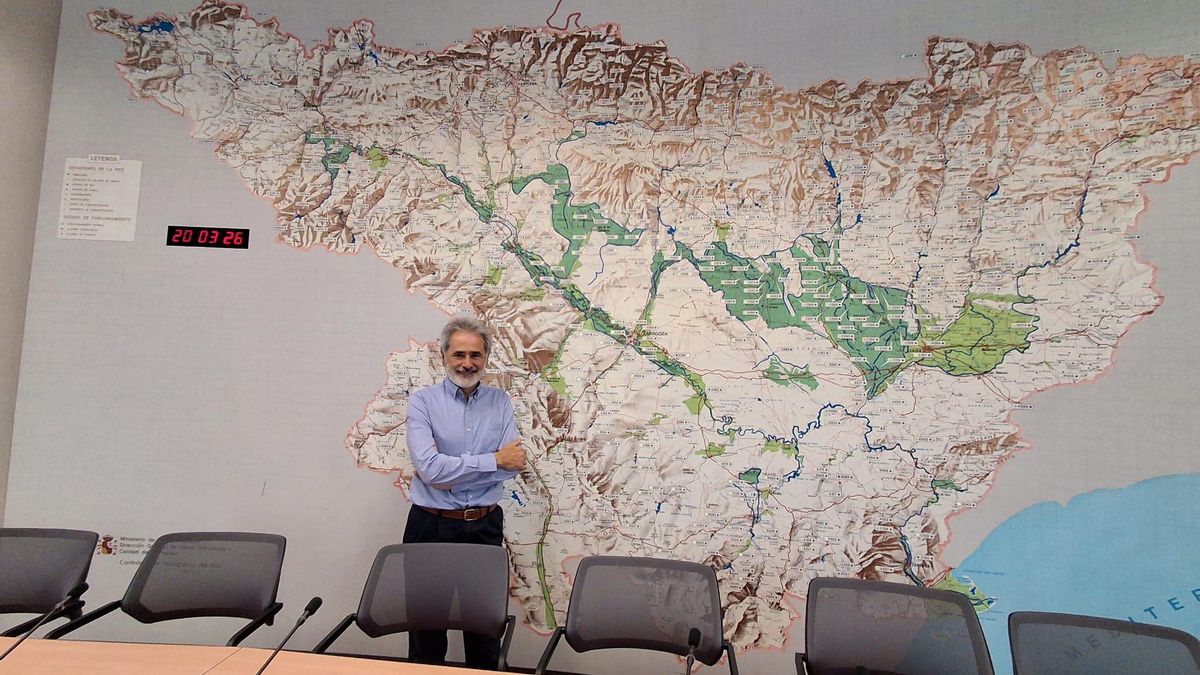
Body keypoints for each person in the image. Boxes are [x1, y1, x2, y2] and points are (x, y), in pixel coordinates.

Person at [402, 314, 527, 670]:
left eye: (475, 355)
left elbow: (512, 466)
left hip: (485, 527)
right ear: (444, 356)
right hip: (430, 526)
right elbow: (430, 469)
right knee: (426, 632)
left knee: (484, 633)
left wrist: (450, 472)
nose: (467, 363)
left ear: (486, 358)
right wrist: (492, 462)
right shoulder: (423, 403)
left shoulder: (500, 403)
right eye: (459, 354)